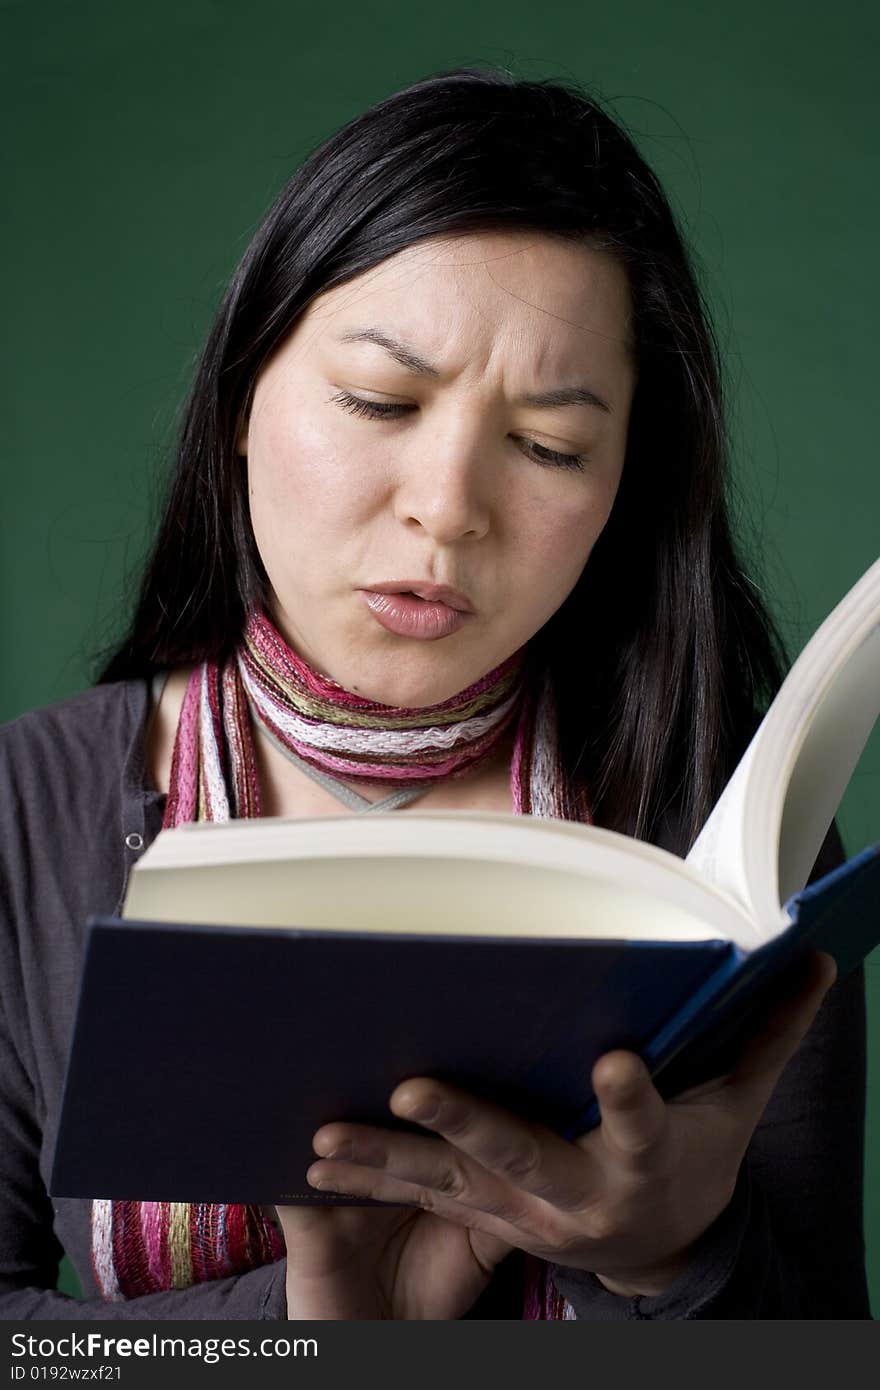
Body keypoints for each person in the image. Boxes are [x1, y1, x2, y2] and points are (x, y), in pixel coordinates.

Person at [0, 66, 869, 1321]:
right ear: (243, 397)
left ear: (624, 482)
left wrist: (676, 1256)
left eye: (550, 447)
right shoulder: (29, 813)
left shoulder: (722, 826)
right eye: (378, 400)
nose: (448, 506)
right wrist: (311, 1335)